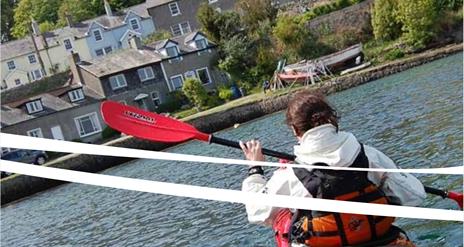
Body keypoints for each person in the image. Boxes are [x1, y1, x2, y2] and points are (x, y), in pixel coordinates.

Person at [239, 90, 426, 247]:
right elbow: (415, 196)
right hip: (381, 241)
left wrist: (255, 168)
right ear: (333, 120)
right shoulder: (369, 156)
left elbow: (258, 212)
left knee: (285, 221)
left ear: (295, 130)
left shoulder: (290, 176)